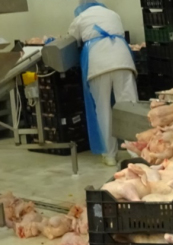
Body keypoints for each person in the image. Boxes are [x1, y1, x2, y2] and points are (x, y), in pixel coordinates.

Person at [68, 1, 138, 166]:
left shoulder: (81, 17)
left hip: (99, 65)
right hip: (122, 60)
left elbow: (71, 40)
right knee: (129, 108)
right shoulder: (113, 14)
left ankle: (109, 155)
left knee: (103, 109)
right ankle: (136, 152)